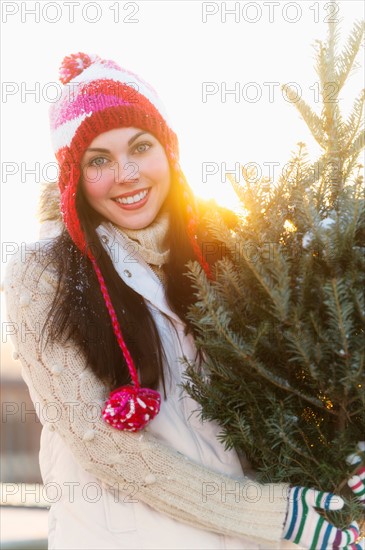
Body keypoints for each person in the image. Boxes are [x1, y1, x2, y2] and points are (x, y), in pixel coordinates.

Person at [4, 52, 363, 550]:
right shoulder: (42, 274)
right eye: (99, 160)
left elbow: (284, 397)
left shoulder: (226, 254)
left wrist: (339, 456)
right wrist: (276, 515)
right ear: (73, 178)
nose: (127, 173)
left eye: (140, 146)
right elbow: (106, 449)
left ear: (168, 151)